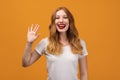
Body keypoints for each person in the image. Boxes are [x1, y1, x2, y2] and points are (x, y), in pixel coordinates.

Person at [22, 7, 88, 80]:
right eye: (57, 18)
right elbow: (26, 63)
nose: (61, 20)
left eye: (65, 17)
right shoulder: (45, 42)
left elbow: (84, 73)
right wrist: (29, 43)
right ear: (54, 22)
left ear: (70, 21)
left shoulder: (80, 43)